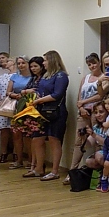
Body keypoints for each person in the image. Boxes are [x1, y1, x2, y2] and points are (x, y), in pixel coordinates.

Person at [28, 51, 69, 181]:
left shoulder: (61, 75)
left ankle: (55, 171)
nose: (43, 63)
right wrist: (36, 98)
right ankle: (38, 168)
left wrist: (39, 101)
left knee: (54, 140)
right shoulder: (45, 76)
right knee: (37, 139)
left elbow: (57, 94)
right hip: (42, 111)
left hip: (55, 112)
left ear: (51, 60)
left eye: (45, 60)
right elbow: (39, 90)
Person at [70, 53, 103, 170]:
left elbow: (100, 95)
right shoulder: (85, 78)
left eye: (94, 63)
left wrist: (84, 102)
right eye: (89, 64)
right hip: (83, 113)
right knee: (79, 141)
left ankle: (98, 171)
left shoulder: (103, 78)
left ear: (99, 63)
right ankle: (72, 171)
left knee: (97, 140)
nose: (92, 66)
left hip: (96, 113)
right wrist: (81, 108)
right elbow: (79, 96)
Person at [6, 56, 33, 170]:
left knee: (28, 135)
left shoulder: (33, 77)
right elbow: (8, 92)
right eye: (19, 63)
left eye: (23, 63)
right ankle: (19, 160)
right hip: (16, 107)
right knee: (16, 134)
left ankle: (31, 160)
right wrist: (14, 95)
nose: (21, 65)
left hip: (29, 107)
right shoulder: (14, 76)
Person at [0, 53, 16, 163]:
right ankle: (3, 152)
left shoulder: (18, 77)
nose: (6, 62)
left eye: (9, 61)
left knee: (15, 130)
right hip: (3, 105)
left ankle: (16, 152)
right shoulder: (2, 77)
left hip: (15, 104)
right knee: (3, 130)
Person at [97, 92, 109, 193]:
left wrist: (104, 123)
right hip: (108, 139)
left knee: (108, 163)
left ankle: (104, 178)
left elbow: (106, 125)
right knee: (106, 161)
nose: (107, 106)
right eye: (106, 104)